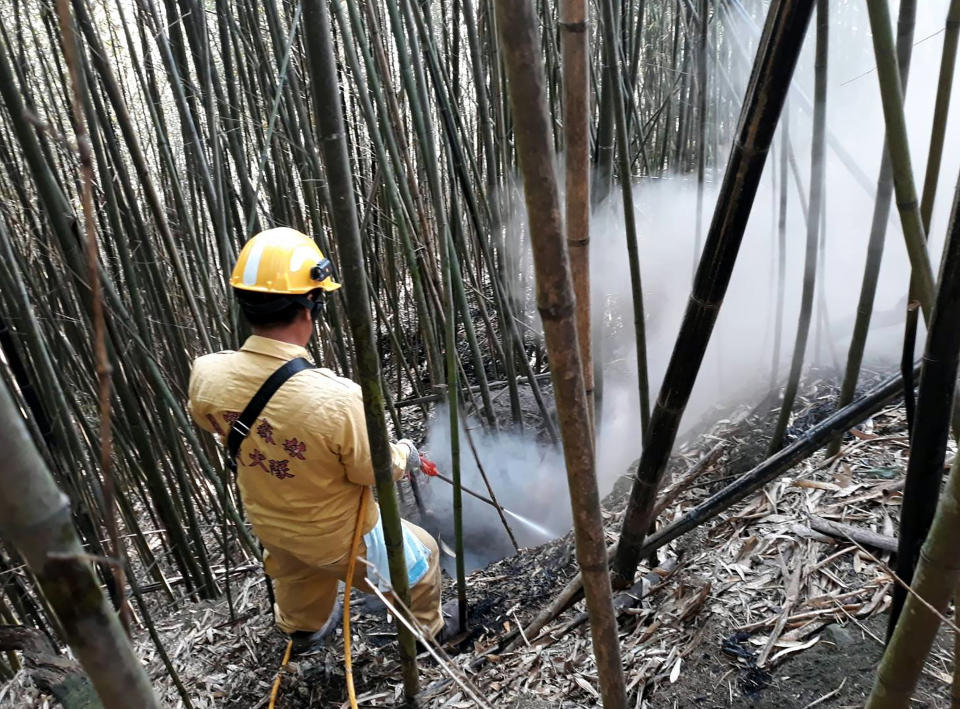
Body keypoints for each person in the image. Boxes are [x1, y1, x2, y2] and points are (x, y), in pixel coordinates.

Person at [188, 227, 451, 654]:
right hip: (340, 538)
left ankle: (303, 634)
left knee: (296, 578)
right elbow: (375, 469)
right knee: (422, 555)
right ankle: (425, 636)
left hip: (270, 523)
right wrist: (405, 452)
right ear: (311, 305)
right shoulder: (337, 398)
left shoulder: (206, 373)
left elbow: (211, 423)